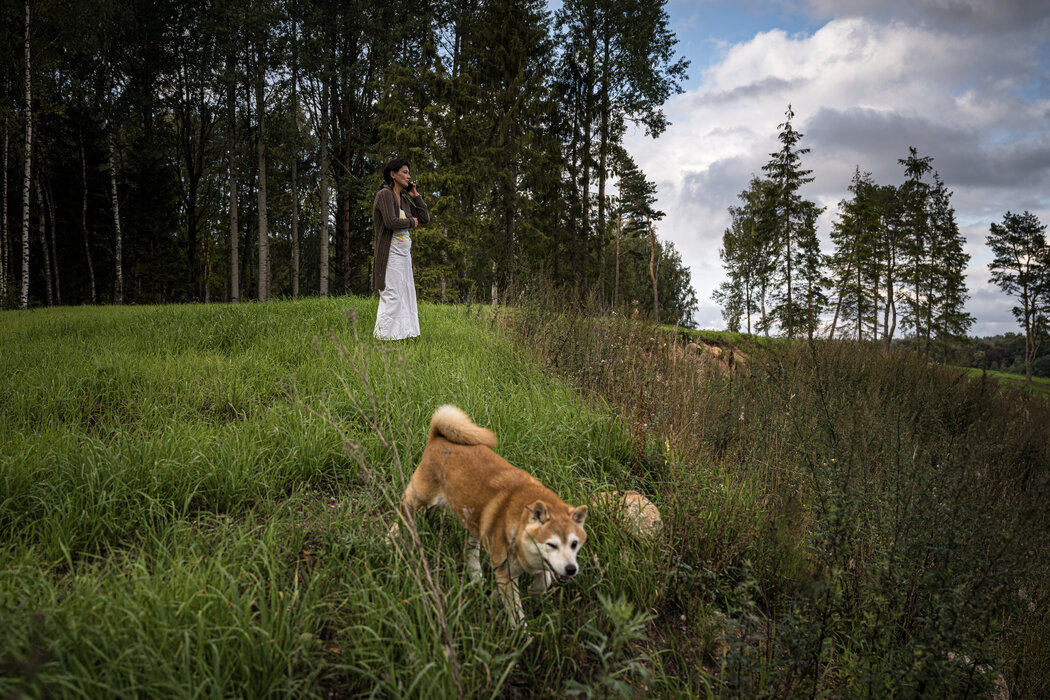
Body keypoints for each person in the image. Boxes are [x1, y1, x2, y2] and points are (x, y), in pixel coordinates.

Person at [372, 158, 429, 340]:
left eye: (408, 172)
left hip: (404, 255)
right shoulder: (384, 195)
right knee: (392, 295)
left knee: (406, 294)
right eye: (404, 172)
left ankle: (402, 336)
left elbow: (424, 218)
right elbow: (390, 222)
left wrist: (415, 195)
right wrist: (411, 222)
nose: (408, 176)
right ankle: (383, 338)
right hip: (389, 254)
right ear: (392, 174)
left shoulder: (403, 198)